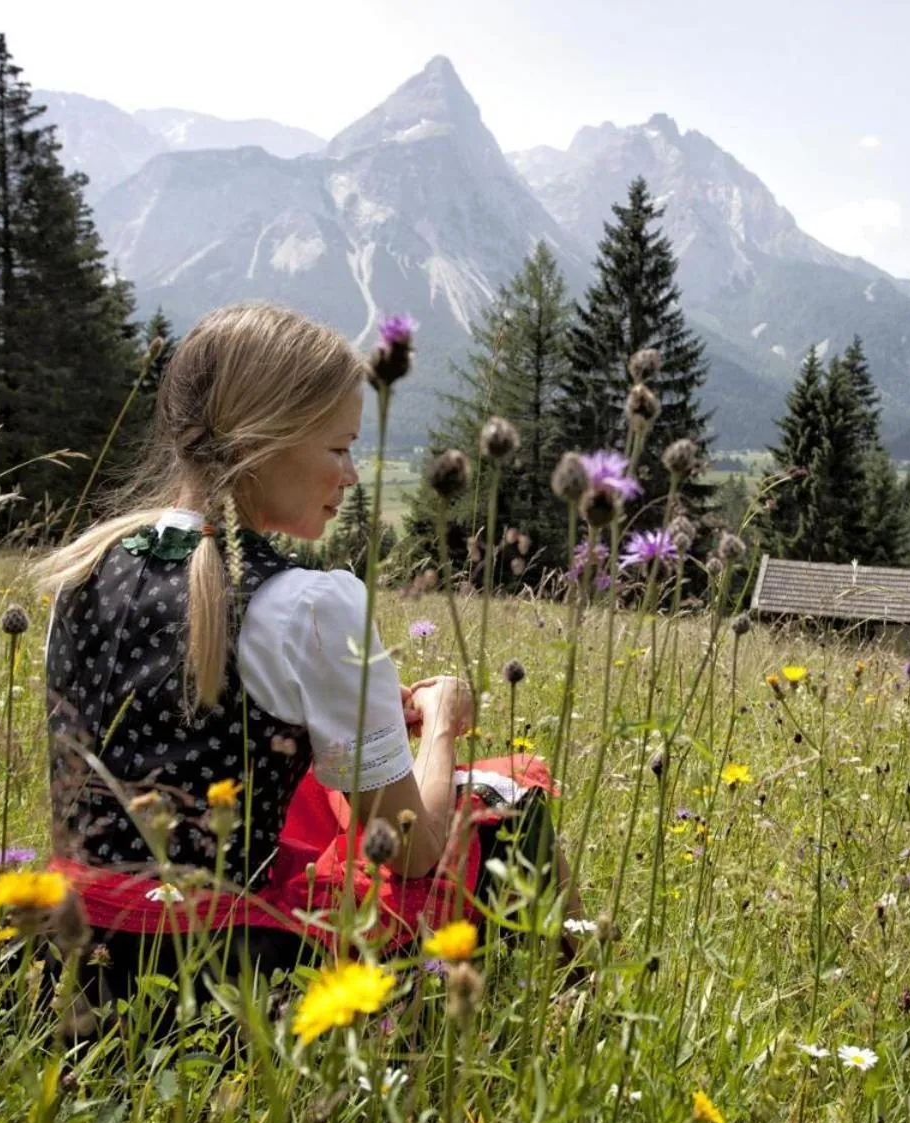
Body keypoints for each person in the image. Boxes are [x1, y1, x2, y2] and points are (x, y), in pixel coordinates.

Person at [33, 303, 574, 1012]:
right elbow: (410, 849)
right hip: (231, 974)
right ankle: (563, 1001)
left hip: (72, 958)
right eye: (338, 447)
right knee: (511, 801)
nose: (350, 476)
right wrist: (439, 725)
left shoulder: (82, 570)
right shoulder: (308, 607)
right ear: (267, 442)